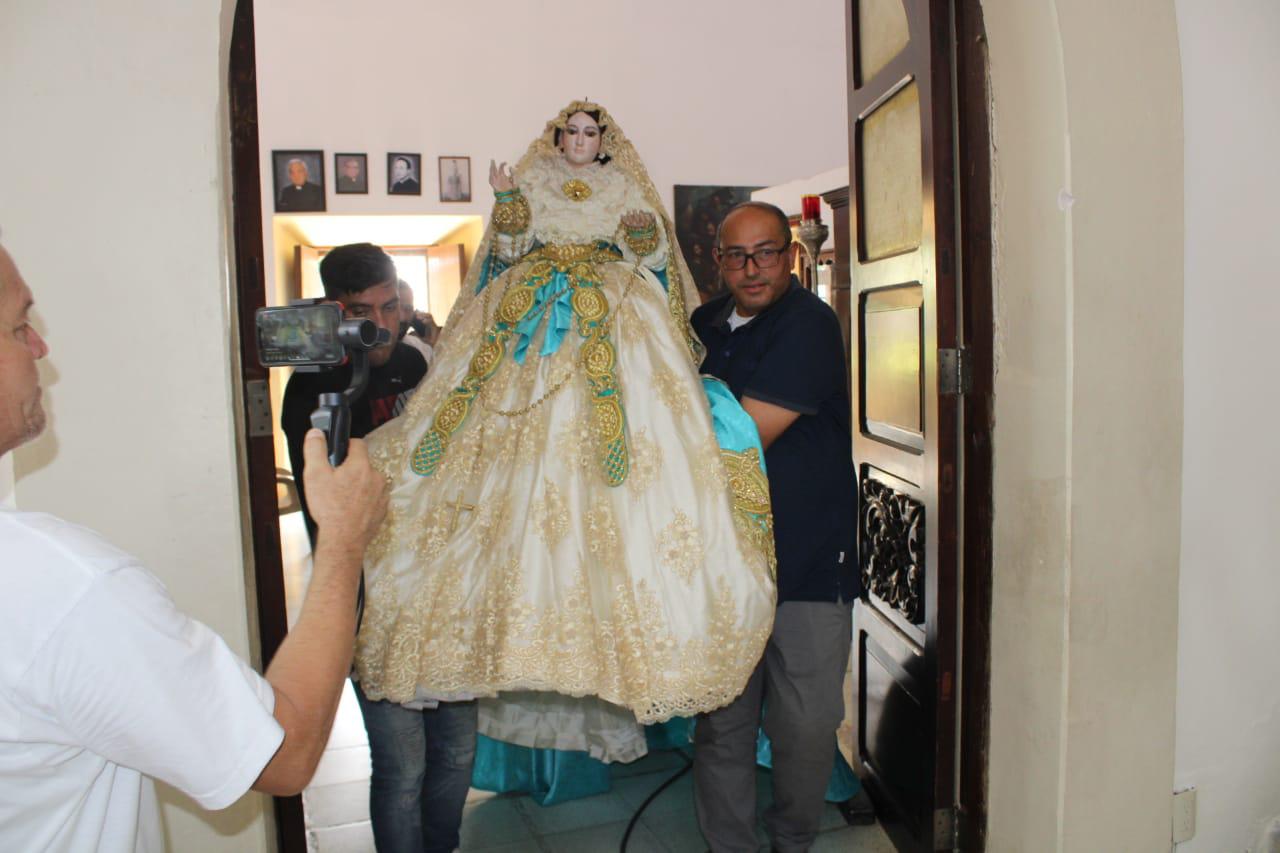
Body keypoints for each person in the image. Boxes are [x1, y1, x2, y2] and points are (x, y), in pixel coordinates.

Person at [352, 101, 777, 764]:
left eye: (590, 133)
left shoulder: (622, 184)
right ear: (558, 138)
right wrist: (508, 205)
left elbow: (654, 261)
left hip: (613, 312)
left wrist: (642, 237)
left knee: (627, 463)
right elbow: (507, 252)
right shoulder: (535, 180)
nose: (580, 141)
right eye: (571, 132)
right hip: (531, 312)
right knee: (508, 456)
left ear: (603, 142)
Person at [0, 242, 387, 850]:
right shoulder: (61, 592)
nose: (41, 348)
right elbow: (282, 756)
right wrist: (343, 541)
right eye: (19, 328)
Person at [281, 243, 476, 853]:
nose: (385, 325)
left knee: (457, 753)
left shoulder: (416, 362)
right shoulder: (312, 390)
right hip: (373, 603)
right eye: (366, 312)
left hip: (444, 589)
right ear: (335, 310)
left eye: (393, 306)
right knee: (402, 769)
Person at [689, 201, 860, 853]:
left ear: (790, 254)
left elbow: (745, 436)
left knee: (806, 724)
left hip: (807, 557)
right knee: (722, 724)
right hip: (723, 562)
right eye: (737, 255)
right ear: (719, 261)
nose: (752, 268)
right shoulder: (702, 326)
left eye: (765, 252)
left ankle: (792, 839)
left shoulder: (808, 324)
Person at [397, 279, 435, 366]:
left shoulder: (419, 348)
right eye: (395, 308)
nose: (402, 318)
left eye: (408, 309)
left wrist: (434, 341)